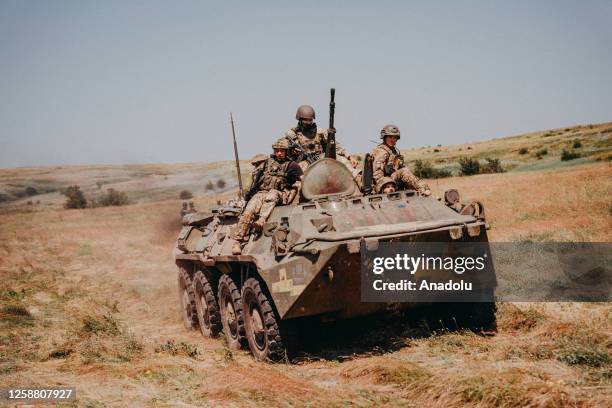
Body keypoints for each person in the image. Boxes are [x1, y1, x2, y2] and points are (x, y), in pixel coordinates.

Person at [231, 139, 303, 255]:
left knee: (272, 194)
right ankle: (237, 242)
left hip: (280, 194)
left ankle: (261, 220)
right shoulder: (267, 163)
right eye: (277, 151)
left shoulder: (292, 165)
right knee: (249, 210)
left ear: (286, 152)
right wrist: (249, 195)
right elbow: (256, 180)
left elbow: (304, 178)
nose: (279, 153)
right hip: (262, 192)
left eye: (282, 151)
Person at [285, 105, 360, 179]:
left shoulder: (320, 132)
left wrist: (349, 157)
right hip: (303, 162)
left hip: (321, 158)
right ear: (300, 119)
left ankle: (357, 177)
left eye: (310, 120)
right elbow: (282, 150)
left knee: (339, 158)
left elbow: (335, 146)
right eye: (305, 120)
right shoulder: (292, 134)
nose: (308, 122)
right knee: (298, 172)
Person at [371, 124, 431, 195]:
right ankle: (423, 190)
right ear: (384, 137)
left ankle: (424, 191)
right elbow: (377, 175)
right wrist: (386, 186)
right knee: (404, 172)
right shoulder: (381, 151)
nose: (393, 140)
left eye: (395, 137)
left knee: (406, 172)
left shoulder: (393, 151)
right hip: (383, 183)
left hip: (392, 180)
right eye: (390, 137)